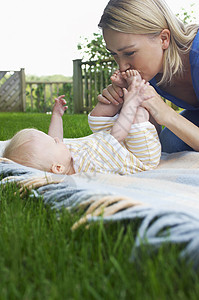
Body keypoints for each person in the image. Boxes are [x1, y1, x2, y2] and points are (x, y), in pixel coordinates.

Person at [3, 71, 161, 175]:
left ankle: (121, 90)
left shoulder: (60, 158)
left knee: (96, 117)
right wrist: (130, 104)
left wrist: (57, 115)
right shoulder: (89, 166)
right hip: (139, 155)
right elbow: (118, 135)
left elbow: (55, 137)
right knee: (136, 116)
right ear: (58, 168)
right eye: (54, 143)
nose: (57, 139)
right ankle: (133, 95)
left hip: (115, 143)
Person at [98, 0, 199, 153]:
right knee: (170, 143)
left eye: (129, 53)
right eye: (114, 54)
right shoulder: (150, 73)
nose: (122, 66)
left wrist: (165, 113)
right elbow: (150, 136)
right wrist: (129, 104)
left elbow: (165, 115)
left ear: (163, 38)